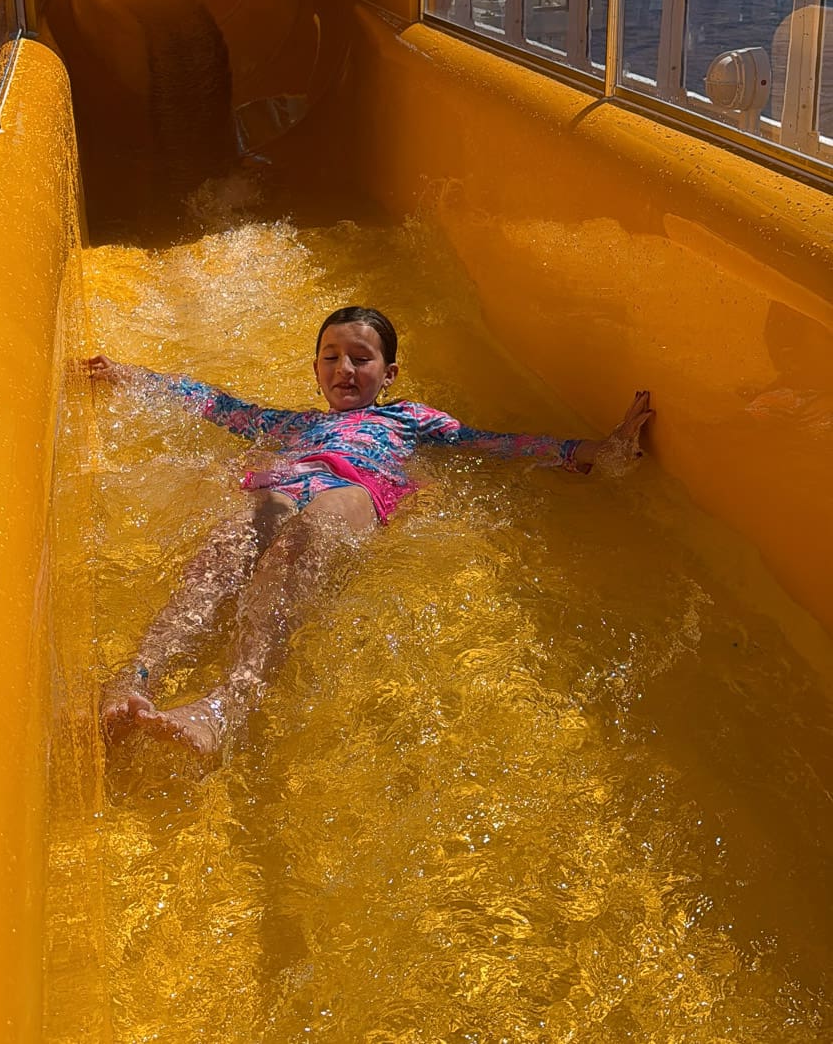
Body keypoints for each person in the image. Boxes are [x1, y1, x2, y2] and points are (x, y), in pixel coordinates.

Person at [89, 306, 653, 759]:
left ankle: (225, 708)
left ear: (389, 374)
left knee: (306, 534)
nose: (345, 369)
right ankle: (137, 677)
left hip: (355, 489)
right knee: (230, 543)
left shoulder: (409, 418)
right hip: (288, 480)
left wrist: (591, 452)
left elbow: (494, 441)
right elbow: (216, 404)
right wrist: (129, 376)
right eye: (331, 357)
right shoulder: (293, 424)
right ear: (314, 370)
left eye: (362, 358)